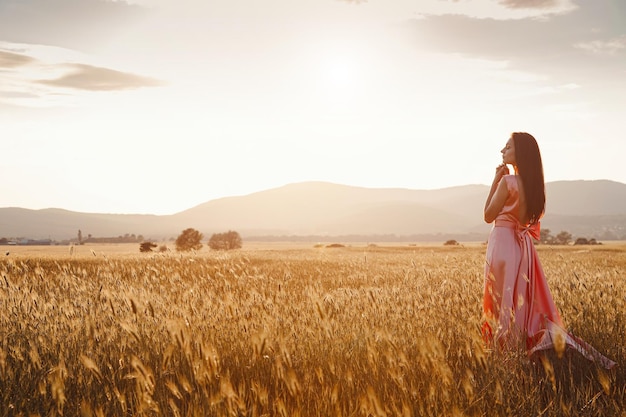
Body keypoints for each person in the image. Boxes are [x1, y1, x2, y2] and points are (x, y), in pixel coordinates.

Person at [482, 132, 615, 369]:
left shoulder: (507, 182)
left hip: (502, 243)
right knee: (518, 299)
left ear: (520, 153)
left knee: (500, 297)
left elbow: (488, 215)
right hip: (521, 247)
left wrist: (495, 180)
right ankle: (519, 347)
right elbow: (524, 221)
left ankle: (502, 352)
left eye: (508, 147)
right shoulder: (534, 187)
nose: (503, 150)